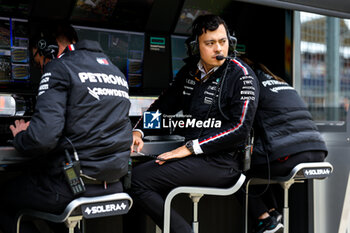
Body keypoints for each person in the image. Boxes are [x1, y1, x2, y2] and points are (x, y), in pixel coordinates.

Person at [128, 15, 259, 233]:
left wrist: (189, 147)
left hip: (222, 162)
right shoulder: (190, 72)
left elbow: (240, 128)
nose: (218, 49)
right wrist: (139, 130)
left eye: (223, 41)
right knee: (137, 174)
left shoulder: (242, 75)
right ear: (195, 46)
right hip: (198, 159)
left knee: (138, 180)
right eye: (210, 43)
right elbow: (163, 106)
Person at [0, 23, 132, 233]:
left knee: (2, 196)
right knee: (54, 205)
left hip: (74, 186)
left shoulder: (59, 68)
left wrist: (22, 136)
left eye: (38, 61)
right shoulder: (116, 72)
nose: (41, 68)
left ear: (48, 48)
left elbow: (42, 139)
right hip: (114, 184)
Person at [240, 57, 328, 233]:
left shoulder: (249, 84)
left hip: (291, 155)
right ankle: (273, 214)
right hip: (318, 152)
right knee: (258, 164)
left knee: (232, 170)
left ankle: (265, 220)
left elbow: (240, 123)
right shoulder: (280, 82)